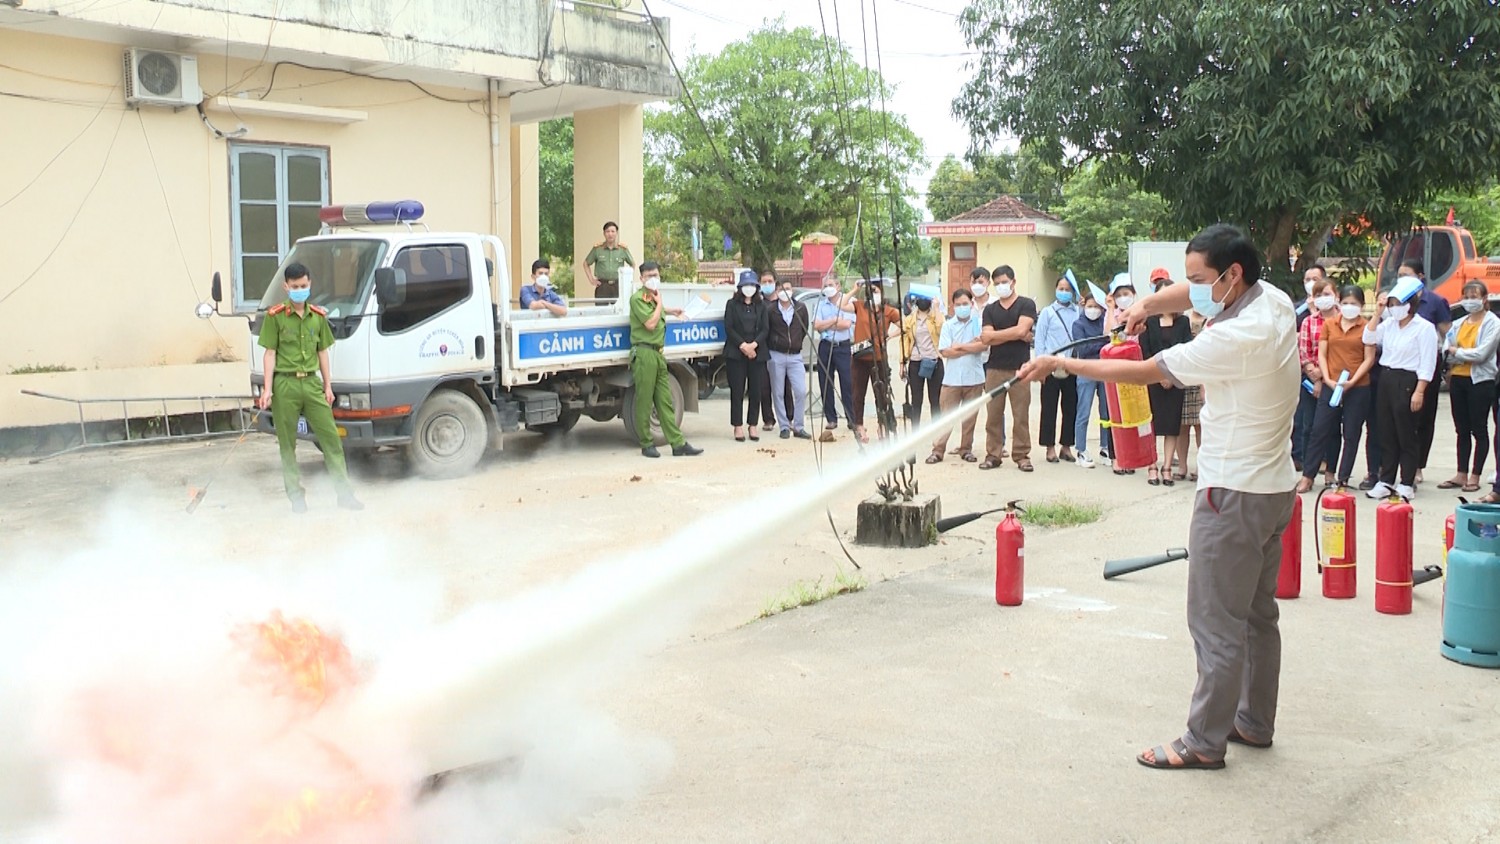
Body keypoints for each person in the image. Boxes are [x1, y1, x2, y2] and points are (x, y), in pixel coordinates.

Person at [1021, 224, 1299, 772]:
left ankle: (1202, 741)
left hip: (1232, 494)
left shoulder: (1230, 341)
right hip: (1274, 488)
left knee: (1215, 621)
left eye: (1201, 280)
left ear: (1231, 274)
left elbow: (1146, 371)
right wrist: (1145, 304)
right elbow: (1188, 296)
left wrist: (1062, 363)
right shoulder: (1273, 300)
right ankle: (1253, 720)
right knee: (1257, 616)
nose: (1193, 290)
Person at [256, 262, 363, 513]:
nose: (299, 290)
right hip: (285, 384)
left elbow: (323, 352)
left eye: (303, 286)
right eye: (295, 287)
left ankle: (345, 495)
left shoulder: (318, 316)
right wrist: (267, 389)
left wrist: (328, 386)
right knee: (287, 444)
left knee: (331, 439)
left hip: (312, 383)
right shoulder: (276, 317)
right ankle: (296, 498)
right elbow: (270, 354)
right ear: (286, 287)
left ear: (309, 284)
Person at [1296, 285, 1377, 493]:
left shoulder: (1366, 327)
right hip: (1331, 385)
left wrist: (1352, 380)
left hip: (1358, 387)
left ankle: (1342, 479)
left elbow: (1369, 359)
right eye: (1346, 303)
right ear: (1339, 302)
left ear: (1361, 306)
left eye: (1355, 304)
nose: (1350, 307)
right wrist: (1327, 379)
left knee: (1351, 433)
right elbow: (1322, 354)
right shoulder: (1330, 324)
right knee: (1319, 430)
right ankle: (1308, 476)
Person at [1364, 276, 1436, 499]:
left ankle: (1406, 481)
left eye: (1398, 304)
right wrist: (1377, 313)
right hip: (1386, 377)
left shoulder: (1424, 328)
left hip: (1408, 380)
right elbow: (1368, 337)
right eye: (1391, 304)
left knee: (1406, 432)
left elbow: (1428, 361)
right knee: (1386, 431)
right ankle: (1386, 480)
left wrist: (1420, 390)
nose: (1394, 309)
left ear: (1409, 305)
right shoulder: (1389, 325)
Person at [629, 261, 703, 459]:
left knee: (665, 401)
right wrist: (661, 303)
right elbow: (651, 324)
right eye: (649, 276)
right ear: (642, 278)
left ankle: (677, 443)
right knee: (644, 401)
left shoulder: (653, 299)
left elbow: (657, 312)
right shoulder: (638, 299)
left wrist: (671, 310)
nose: (654, 279)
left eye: (656, 275)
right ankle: (646, 443)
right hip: (644, 353)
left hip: (658, 353)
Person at [1438, 280, 1500, 492]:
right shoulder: (1460, 322)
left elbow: (1482, 354)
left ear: (1484, 299)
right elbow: (1446, 348)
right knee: (1461, 429)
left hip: (1480, 381)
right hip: (1459, 379)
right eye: (1466, 297)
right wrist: (1456, 354)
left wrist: (1458, 353)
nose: (1470, 301)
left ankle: (1475, 475)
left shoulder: (1493, 322)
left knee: (1479, 429)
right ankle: (1461, 473)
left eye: (1474, 297)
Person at [979, 265, 1038, 471]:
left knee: (1020, 414)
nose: (1001, 286)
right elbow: (986, 338)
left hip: (1020, 368)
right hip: (994, 368)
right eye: (997, 284)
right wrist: (1015, 334)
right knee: (993, 415)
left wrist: (998, 335)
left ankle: (1022, 455)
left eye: (1004, 282)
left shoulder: (1026, 304)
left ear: (1013, 281)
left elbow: (1024, 329)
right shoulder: (990, 309)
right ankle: (993, 454)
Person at [1400, 259, 1452, 483]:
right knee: (1400, 417)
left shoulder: (1436, 301)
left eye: (1407, 274)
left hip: (1428, 363)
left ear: (1420, 277)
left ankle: (1419, 465)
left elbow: (1446, 333)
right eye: (1400, 275)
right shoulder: (1397, 301)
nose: (1402, 279)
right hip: (1402, 365)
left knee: (1423, 416)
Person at [1139, 282, 1192, 486]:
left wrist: (1171, 376)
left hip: (1175, 380)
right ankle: (1152, 466)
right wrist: (1159, 375)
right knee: (1151, 425)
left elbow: (1188, 349)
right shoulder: (1149, 321)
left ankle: (1168, 466)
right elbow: (1145, 350)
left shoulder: (1183, 322)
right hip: (1153, 380)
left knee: (1171, 426)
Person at [928, 288, 987, 463]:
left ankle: (966, 449)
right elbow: (945, 351)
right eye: (958, 304)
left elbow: (982, 346)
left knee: (970, 418)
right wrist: (969, 347)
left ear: (971, 304)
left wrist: (959, 346)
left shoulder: (978, 322)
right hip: (952, 379)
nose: (962, 307)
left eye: (965, 304)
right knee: (946, 417)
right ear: (953, 306)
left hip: (974, 378)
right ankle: (938, 450)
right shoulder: (948, 325)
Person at [1294, 275, 1341, 482]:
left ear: (1336, 296)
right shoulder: (1308, 322)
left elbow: (1340, 352)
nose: (1323, 298)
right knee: (1308, 425)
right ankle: (1308, 468)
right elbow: (1304, 351)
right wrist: (1313, 374)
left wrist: (1323, 376)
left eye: (1327, 294)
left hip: (1334, 380)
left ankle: (1331, 470)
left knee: (1332, 428)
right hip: (1310, 379)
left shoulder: (1342, 321)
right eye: (1319, 295)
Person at [848, 281, 903, 443]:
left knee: (881, 393)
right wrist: (855, 289)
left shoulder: (888, 311)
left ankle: (883, 425)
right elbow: (841, 305)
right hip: (860, 358)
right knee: (858, 393)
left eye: (876, 290)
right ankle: (859, 425)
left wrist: (889, 336)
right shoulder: (860, 307)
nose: (873, 294)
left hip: (879, 358)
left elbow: (904, 326)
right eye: (870, 291)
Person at [1035, 273, 1080, 463]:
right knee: (1049, 407)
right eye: (1061, 289)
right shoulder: (1047, 312)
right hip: (1051, 366)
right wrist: (1040, 367)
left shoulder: (1078, 312)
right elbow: (1039, 339)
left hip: (1071, 366)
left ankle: (1066, 446)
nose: (1064, 292)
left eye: (1067, 289)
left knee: (1070, 407)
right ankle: (1049, 448)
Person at [723, 269, 770, 442]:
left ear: (756, 287)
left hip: (757, 353)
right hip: (736, 352)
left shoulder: (762, 306)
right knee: (737, 390)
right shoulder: (732, 304)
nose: (748, 288)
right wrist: (743, 346)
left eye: (752, 285)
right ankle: (737, 426)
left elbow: (765, 328)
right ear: (740, 287)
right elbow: (729, 327)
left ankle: (753, 425)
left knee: (756, 390)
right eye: (745, 285)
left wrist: (753, 345)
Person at [1290, 266, 1327, 472]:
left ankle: (1321, 459)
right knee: (1301, 418)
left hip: (1327, 373)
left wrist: (1315, 312)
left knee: (1320, 421)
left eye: (1315, 278)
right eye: (1307, 279)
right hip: (1302, 370)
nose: (1311, 283)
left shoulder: (1330, 309)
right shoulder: (1297, 308)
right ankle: (1299, 457)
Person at [1070, 283, 1111, 469]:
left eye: (1096, 306)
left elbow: (1112, 341)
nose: (1093, 310)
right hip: (1086, 370)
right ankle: (1081, 450)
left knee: (1106, 411)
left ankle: (1106, 447)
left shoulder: (1105, 321)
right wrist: (1102, 342)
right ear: (1083, 305)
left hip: (1104, 370)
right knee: (1083, 412)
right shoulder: (1078, 324)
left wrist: (1103, 342)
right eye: (1089, 306)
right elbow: (1083, 349)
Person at [766, 276, 812, 439]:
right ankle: (784, 426)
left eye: (788, 288)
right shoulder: (771, 309)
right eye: (781, 289)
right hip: (776, 355)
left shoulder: (800, 308)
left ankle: (798, 426)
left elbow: (804, 328)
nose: (785, 292)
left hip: (795, 356)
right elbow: (767, 330)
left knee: (800, 391)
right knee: (778, 392)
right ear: (777, 292)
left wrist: (796, 342)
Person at [813, 276, 858, 441]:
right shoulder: (820, 303)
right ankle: (831, 419)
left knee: (847, 382)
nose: (827, 288)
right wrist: (833, 320)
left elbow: (847, 325)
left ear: (838, 286)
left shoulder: (849, 301)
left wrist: (827, 324)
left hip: (843, 347)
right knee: (825, 383)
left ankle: (851, 418)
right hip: (825, 346)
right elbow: (816, 325)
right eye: (825, 285)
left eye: (830, 285)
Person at [900, 288, 945, 426]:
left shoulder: (937, 317)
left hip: (934, 361)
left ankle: (937, 430)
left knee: (935, 399)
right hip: (916, 362)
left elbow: (941, 328)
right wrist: (902, 363)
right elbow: (904, 341)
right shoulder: (909, 320)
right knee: (916, 399)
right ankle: (915, 431)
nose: (923, 301)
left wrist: (936, 308)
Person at [582, 221, 635, 302]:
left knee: (619, 311)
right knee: (601, 311)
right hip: (602, 286)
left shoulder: (622, 249)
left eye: (613, 231)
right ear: (604, 233)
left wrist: (627, 280)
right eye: (608, 231)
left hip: (618, 286)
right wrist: (591, 280)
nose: (610, 234)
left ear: (616, 233)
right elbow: (586, 263)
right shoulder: (597, 249)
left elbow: (633, 264)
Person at [754, 272, 780, 432]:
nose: (767, 284)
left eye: (770, 281)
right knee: (764, 387)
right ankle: (768, 419)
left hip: (780, 350)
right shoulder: (758, 304)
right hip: (762, 350)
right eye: (764, 281)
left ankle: (787, 418)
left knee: (783, 387)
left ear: (775, 283)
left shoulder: (783, 303)